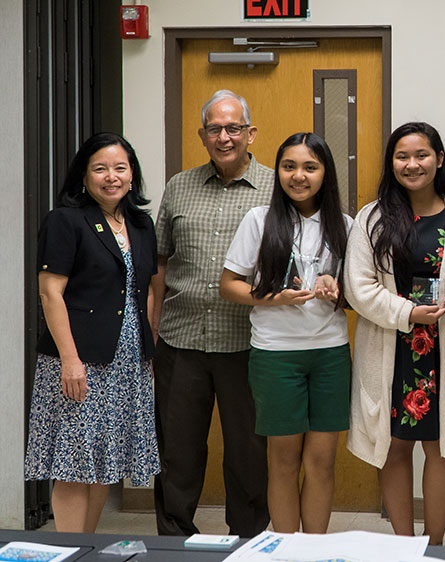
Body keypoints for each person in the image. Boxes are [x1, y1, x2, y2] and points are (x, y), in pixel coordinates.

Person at [343, 121, 445, 545]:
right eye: (402, 156)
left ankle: (434, 544)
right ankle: (403, 544)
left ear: (439, 160)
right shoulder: (372, 216)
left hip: (440, 346)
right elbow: (358, 288)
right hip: (391, 342)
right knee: (393, 446)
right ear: (391, 163)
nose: (412, 164)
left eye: (422, 155)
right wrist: (409, 312)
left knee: (443, 447)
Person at [151, 89, 272, 537]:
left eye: (234, 128)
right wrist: (153, 331)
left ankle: (247, 540)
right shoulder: (179, 186)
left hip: (248, 344)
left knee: (248, 453)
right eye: (215, 129)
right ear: (203, 135)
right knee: (177, 454)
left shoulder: (277, 188)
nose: (224, 137)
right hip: (181, 344)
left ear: (250, 133)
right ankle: (175, 540)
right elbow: (160, 264)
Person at [24, 132, 159, 532]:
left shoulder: (140, 223)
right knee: (73, 461)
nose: (111, 177)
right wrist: (69, 359)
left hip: (127, 361)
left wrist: (146, 354)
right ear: (84, 176)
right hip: (79, 360)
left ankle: (87, 546)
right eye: (100, 169)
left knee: (104, 461)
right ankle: (70, 549)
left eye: (120, 168)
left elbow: (146, 289)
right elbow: (51, 293)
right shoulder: (66, 221)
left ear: (132, 174)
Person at [219, 132, 352, 533]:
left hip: (330, 353)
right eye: (289, 166)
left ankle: (313, 549)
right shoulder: (259, 220)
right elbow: (229, 285)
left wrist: (337, 288)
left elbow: (358, 293)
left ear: (325, 173)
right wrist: (273, 299)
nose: (298, 176)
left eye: (310, 167)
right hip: (275, 355)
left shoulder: (345, 225)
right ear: (277, 172)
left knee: (322, 462)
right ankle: (286, 549)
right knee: (283, 460)